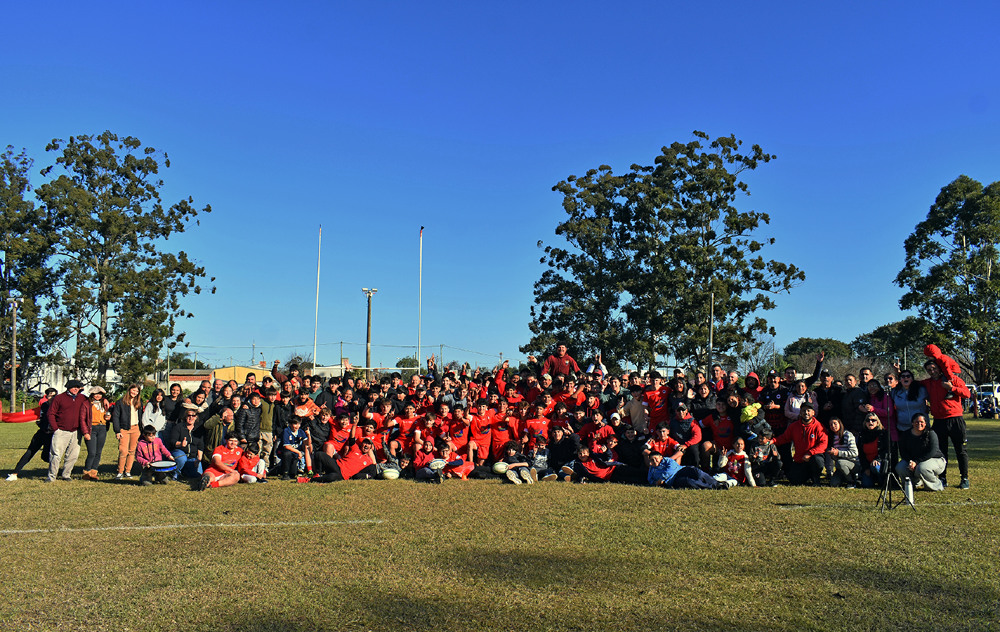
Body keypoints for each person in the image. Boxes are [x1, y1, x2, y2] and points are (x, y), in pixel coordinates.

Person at [920, 357, 971, 489]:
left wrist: (952, 388)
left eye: (934, 368)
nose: (932, 371)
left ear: (939, 368)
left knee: (960, 450)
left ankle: (964, 478)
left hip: (955, 419)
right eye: (929, 370)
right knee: (941, 451)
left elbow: (967, 394)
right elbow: (913, 384)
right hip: (939, 421)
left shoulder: (952, 379)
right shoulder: (928, 383)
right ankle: (943, 478)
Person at [6, 388, 58, 481]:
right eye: (50, 395)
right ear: (46, 396)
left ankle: (54, 472)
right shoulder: (44, 406)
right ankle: (15, 473)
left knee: (46, 456)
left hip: (52, 435)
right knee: (30, 452)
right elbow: (42, 418)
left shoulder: (58, 406)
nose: (52, 398)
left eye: (54, 396)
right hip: (42, 433)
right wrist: (41, 425)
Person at [46, 379, 92, 482]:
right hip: (61, 431)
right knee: (56, 454)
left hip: (76, 431)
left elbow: (92, 404)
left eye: (78, 387)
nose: (76, 389)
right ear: (68, 387)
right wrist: (56, 428)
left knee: (73, 455)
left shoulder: (83, 398)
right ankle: (51, 476)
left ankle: (66, 475)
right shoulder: (59, 398)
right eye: (73, 387)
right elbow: (51, 413)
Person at [774, 403, 827, 485]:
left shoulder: (819, 426)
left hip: (813, 457)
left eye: (808, 411)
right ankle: (807, 475)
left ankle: (816, 478)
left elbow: (823, 444)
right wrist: (772, 441)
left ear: (813, 413)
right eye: (803, 410)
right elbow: (784, 438)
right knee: (794, 480)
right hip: (800, 459)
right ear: (800, 412)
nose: (806, 413)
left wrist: (810, 453)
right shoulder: (794, 426)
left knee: (817, 460)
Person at [895, 413, 946, 492]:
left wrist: (916, 462)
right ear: (912, 423)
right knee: (900, 467)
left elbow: (932, 451)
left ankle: (936, 485)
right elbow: (903, 452)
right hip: (914, 461)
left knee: (922, 468)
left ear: (925, 423)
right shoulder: (905, 434)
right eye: (916, 422)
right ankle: (913, 484)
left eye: (922, 422)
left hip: (935, 459)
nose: (919, 424)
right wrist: (910, 462)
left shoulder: (931, 433)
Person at [112, 384, 144, 479]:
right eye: (133, 390)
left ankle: (128, 471)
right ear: (129, 390)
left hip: (135, 428)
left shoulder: (139, 402)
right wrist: (117, 431)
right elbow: (116, 417)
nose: (135, 393)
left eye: (137, 391)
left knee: (132, 451)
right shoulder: (120, 402)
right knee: (123, 451)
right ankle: (120, 471)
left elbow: (140, 415)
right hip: (124, 428)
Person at [82, 386, 112, 480]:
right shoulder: (87, 404)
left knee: (98, 452)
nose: (98, 396)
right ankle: (86, 472)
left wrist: (108, 417)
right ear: (92, 394)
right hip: (91, 428)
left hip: (102, 428)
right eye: (96, 394)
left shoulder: (104, 403)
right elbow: (82, 419)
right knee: (92, 452)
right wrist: (85, 432)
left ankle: (94, 472)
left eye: (100, 394)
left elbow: (107, 414)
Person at [824, 417, 859, 487]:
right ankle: (845, 477)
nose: (833, 426)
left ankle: (851, 482)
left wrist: (838, 453)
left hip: (853, 463)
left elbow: (855, 453)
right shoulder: (832, 438)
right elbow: (835, 457)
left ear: (840, 424)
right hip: (840, 466)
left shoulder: (848, 435)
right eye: (831, 424)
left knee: (840, 463)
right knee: (834, 484)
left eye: (835, 423)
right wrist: (832, 454)